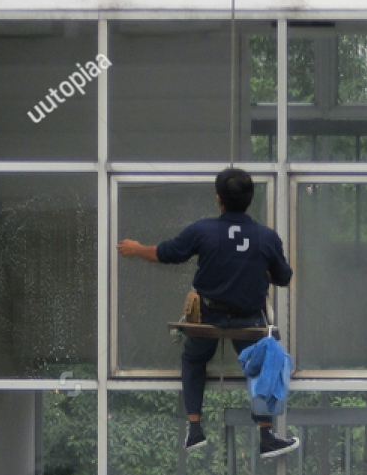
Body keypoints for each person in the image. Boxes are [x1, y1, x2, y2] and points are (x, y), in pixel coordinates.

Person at [117, 168, 299, 458]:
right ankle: (266, 434)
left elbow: (167, 253)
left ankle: (194, 429)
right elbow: (284, 278)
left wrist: (137, 248)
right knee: (262, 363)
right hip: (248, 321)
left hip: (208, 318)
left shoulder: (202, 231)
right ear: (250, 200)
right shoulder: (267, 237)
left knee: (194, 357)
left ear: (219, 200)